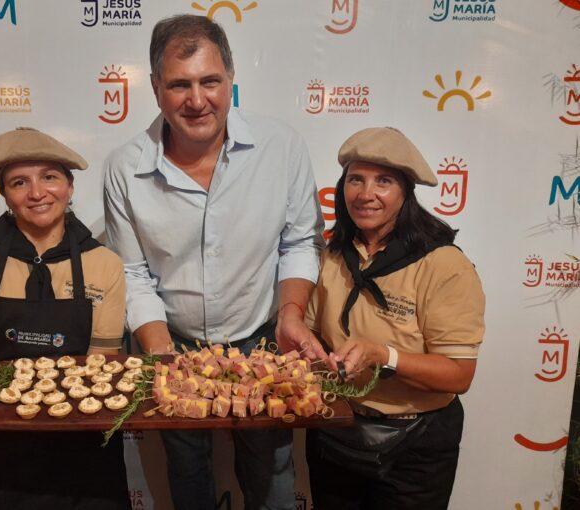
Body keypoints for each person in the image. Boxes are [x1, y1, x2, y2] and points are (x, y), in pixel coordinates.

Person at [103, 14, 325, 510]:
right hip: (173, 341)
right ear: (156, 88)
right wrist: (162, 355)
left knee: (273, 473)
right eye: (179, 85)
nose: (197, 100)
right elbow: (132, 274)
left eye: (210, 81)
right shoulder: (123, 167)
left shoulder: (281, 147)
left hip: (263, 339)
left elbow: (299, 242)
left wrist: (291, 315)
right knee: (187, 472)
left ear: (231, 78)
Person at [0, 127, 131, 509]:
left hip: (82, 445)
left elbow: (102, 361)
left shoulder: (104, 264)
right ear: (4, 194)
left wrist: (54, 408)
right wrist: (18, 403)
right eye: (19, 182)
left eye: (49, 177)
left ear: (70, 186)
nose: (37, 192)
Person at [303, 127, 486, 509]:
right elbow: (312, 332)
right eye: (356, 179)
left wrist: (383, 356)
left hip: (415, 445)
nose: (365, 193)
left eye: (383, 181)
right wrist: (312, 356)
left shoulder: (443, 264)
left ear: (405, 192)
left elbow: (459, 374)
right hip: (336, 429)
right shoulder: (333, 254)